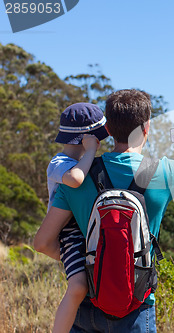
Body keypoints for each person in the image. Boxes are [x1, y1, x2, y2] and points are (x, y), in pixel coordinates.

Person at [34, 89, 174, 332]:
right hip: (136, 307)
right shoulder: (162, 172)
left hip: (86, 306)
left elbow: (42, 243)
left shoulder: (78, 177)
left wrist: (81, 261)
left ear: (109, 129)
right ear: (146, 129)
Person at [41, 103, 109, 333]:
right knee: (78, 286)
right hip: (69, 233)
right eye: (97, 139)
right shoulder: (58, 163)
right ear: (86, 139)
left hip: (85, 229)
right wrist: (89, 151)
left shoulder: (83, 162)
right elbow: (75, 179)